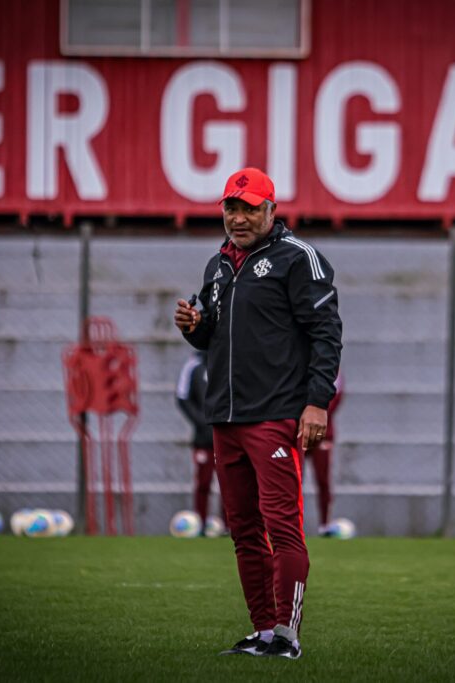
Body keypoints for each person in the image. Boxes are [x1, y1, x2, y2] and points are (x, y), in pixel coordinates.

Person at [174, 167, 342, 660]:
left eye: (250, 208)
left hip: (275, 414)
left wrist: (317, 402)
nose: (239, 217)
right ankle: (263, 631)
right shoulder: (218, 265)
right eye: (232, 207)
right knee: (244, 531)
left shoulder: (299, 259)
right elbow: (210, 339)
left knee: (282, 527)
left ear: (272, 210)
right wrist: (193, 326)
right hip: (225, 419)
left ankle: (287, 638)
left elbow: (326, 334)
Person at [175, 349, 226, 534]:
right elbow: (182, 397)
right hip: (203, 438)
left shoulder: (229, 357)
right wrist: (202, 421)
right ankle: (200, 524)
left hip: (228, 434)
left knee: (230, 482)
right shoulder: (193, 364)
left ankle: (230, 526)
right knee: (203, 482)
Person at [306, 371, 343, 536]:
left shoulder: (332, 370)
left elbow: (336, 397)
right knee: (291, 479)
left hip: (323, 433)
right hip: (299, 430)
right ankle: (290, 524)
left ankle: (324, 524)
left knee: (323, 480)